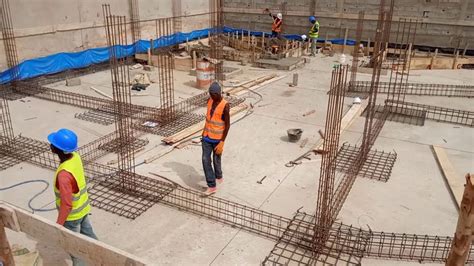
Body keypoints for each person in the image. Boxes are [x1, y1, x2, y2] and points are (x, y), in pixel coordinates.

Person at [48, 128, 98, 266]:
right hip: (83, 209)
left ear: (57, 150)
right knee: (89, 236)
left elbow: (67, 204)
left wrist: (59, 225)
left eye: (53, 144)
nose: (50, 145)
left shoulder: (64, 175)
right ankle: (103, 258)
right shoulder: (75, 157)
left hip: (72, 217)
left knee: (76, 251)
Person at [201, 82, 230, 196]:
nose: (211, 96)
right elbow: (208, 118)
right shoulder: (210, 100)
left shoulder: (225, 105)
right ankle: (212, 185)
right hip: (206, 137)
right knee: (205, 160)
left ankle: (218, 175)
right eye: (210, 94)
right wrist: (203, 134)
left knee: (216, 160)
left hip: (217, 139)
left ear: (218, 93)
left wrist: (222, 142)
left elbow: (227, 125)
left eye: (213, 94)